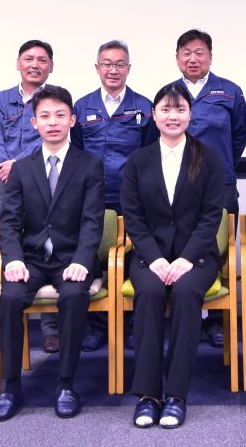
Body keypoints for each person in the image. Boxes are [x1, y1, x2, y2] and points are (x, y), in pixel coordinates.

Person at [0, 85, 105, 422]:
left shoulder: (89, 166)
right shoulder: (21, 168)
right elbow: (9, 222)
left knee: (73, 295)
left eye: (59, 115)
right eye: (45, 116)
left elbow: (92, 221)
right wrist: (13, 259)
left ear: (72, 120)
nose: (52, 122)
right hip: (32, 259)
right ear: (34, 123)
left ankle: (66, 384)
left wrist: (82, 261)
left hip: (72, 258)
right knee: (9, 299)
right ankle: (10, 387)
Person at [120, 83, 225, 429]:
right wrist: (154, 258)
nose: (173, 116)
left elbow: (211, 216)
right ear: (153, 115)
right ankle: (148, 396)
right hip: (149, 256)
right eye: (165, 109)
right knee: (149, 292)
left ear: (190, 115)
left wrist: (186, 258)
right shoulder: (138, 161)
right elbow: (133, 217)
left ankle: (177, 395)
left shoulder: (208, 158)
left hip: (197, 256)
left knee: (185, 291)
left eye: (180, 109)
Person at [73, 39, 155, 352]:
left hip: (132, 197)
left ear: (129, 68)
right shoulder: (82, 107)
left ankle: (133, 324)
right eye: (107, 64)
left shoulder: (144, 106)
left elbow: (150, 153)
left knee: (134, 257)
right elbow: (76, 152)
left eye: (120, 64)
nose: (113, 70)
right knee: (93, 256)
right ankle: (96, 326)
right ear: (97, 68)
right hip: (92, 197)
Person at [172, 29, 246, 349]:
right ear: (177, 58)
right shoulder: (169, 93)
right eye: (186, 53)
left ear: (211, 57)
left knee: (218, 251)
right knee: (179, 247)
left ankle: (216, 320)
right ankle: (182, 315)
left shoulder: (230, 91)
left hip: (220, 185)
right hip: (177, 186)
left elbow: (240, 135)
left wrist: (220, 167)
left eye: (199, 52)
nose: (193, 58)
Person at [0, 39, 60, 353]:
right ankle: (13, 323)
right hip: (7, 184)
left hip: (46, 180)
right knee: (10, 246)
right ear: (18, 63)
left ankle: (51, 327)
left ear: (51, 66)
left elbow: (53, 138)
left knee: (49, 246)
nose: (35, 65)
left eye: (42, 60)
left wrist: (19, 165)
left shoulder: (56, 99)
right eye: (28, 59)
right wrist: (9, 167)